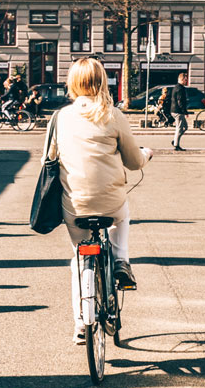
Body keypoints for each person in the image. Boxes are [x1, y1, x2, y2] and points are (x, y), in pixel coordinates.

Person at [49, 58, 152, 345]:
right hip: (110, 201)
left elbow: (51, 158)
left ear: (72, 83)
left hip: (75, 204)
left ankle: (81, 323)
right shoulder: (114, 115)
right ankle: (121, 261)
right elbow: (133, 162)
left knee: (79, 257)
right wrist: (147, 154)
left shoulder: (60, 117)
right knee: (122, 213)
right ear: (102, 81)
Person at [169, 73, 191, 151]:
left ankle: (175, 140)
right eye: (185, 79)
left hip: (175, 110)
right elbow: (180, 101)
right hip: (178, 111)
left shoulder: (177, 87)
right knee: (179, 128)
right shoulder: (180, 88)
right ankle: (176, 145)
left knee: (185, 127)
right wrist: (185, 112)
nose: (186, 81)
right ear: (181, 79)